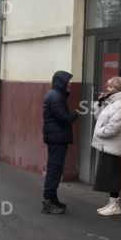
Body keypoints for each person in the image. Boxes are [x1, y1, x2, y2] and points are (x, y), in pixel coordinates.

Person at [91, 76, 121, 216]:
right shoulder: (112, 103)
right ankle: (112, 203)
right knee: (109, 174)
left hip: (113, 146)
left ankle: (115, 205)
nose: (107, 89)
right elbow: (99, 118)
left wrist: (98, 132)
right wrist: (99, 103)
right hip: (109, 145)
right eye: (108, 86)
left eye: (110, 87)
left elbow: (112, 129)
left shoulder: (120, 105)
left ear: (117, 89)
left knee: (112, 175)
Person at [41, 70, 79, 214]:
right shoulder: (56, 97)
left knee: (56, 168)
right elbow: (63, 119)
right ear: (61, 82)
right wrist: (75, 113)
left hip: (56, 137)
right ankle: (48, 201)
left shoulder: (56, 95)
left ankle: (52, 198)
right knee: (54, 168)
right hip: (56, 138)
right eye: (68, 82)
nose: (70, 85)